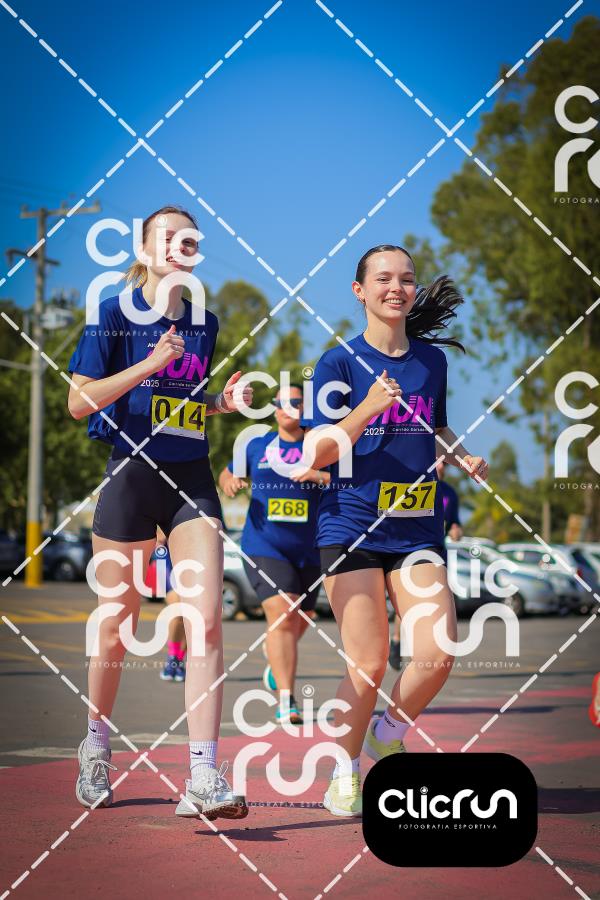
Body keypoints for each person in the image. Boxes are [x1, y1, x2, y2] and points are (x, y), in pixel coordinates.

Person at [68, 205, 252, 820]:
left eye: (188, 238)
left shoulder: (205, 323)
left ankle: (202, 774)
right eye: (166, 237)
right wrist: (148, 364)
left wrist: (220, 402)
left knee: (205, 619)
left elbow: (182, 401)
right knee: (117, 621)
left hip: (189, 477)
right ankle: (96, 745)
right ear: (145, 251)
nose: (179, 245)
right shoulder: (112, 314)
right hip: (130, 473)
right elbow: (78, 401)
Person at [307, 245, 488, 817]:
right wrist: (366, 406)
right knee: (368, 662)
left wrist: (460, 454)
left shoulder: (432, 362)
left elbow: (434, 424)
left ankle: (386, 733)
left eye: (407, 279)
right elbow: (318, 450)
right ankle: (344, 771)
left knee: (438, 653)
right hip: (351, 526)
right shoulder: (336, 364)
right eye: (383, 278)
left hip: (416, 529)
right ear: (359, 291)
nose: (397, 288)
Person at [219, 384, 329, 724]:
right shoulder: (257, 445)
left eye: (294, 401)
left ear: (306, 408)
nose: (286, 407)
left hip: (311, 549)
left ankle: (275, 661)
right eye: (280, 402)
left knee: (303, 617)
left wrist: (318, 475)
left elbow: (348, 482)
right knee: (283, 614)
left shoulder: (321, 446)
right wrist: (229, 481)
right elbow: (228, 472)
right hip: (265, 545)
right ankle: (286, 701)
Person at [388, 457, 462, 670]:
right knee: (409, 605)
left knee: (430, 609)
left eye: (444, 463)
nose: (440, 466)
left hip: (437, 553)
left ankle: (420, 653)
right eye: (436, 461)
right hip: (408, 550)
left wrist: (456, 530)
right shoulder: (412, 483)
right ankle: (397, 640)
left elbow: (455, 523)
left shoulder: (450, 494)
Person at [152, 528, 187, 683]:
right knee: (177, 608)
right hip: (165, 554)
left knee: (191, 614)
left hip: (191, 554)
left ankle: (179, 660)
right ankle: (172, 657)